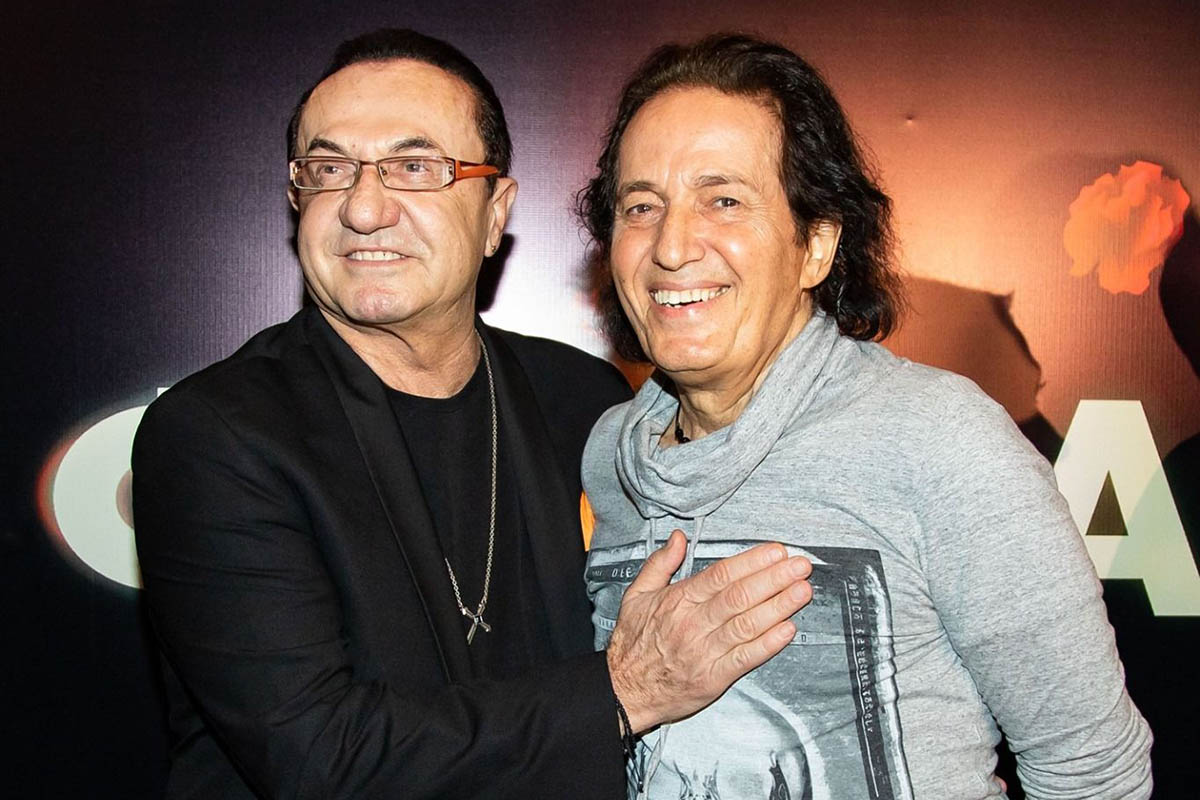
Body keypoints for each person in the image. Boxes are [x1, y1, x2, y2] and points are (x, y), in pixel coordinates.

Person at [132, 29, 815, 800]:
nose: (363, 208)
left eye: (415, 168)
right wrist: (626, 690)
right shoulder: (216, 435)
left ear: (495, 212)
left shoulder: (585, 400)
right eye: (328, 171)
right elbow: (320, 759)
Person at [578, 34, 1152, 799]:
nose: (672, 247)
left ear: (815, 246)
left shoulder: (939, 439)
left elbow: (1092, 769)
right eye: (641, 206)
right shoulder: (610, 455)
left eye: (724, 200)